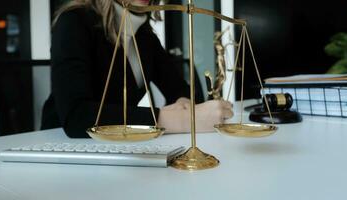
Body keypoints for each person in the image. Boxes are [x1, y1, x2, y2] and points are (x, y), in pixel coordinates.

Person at [41, 0, 233, 138]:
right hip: (61, 145)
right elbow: (78, 116)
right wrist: (175, 119)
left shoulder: (144, 36)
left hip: (120, 145)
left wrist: (184, 103)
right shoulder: (74, 21)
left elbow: (179, 88)